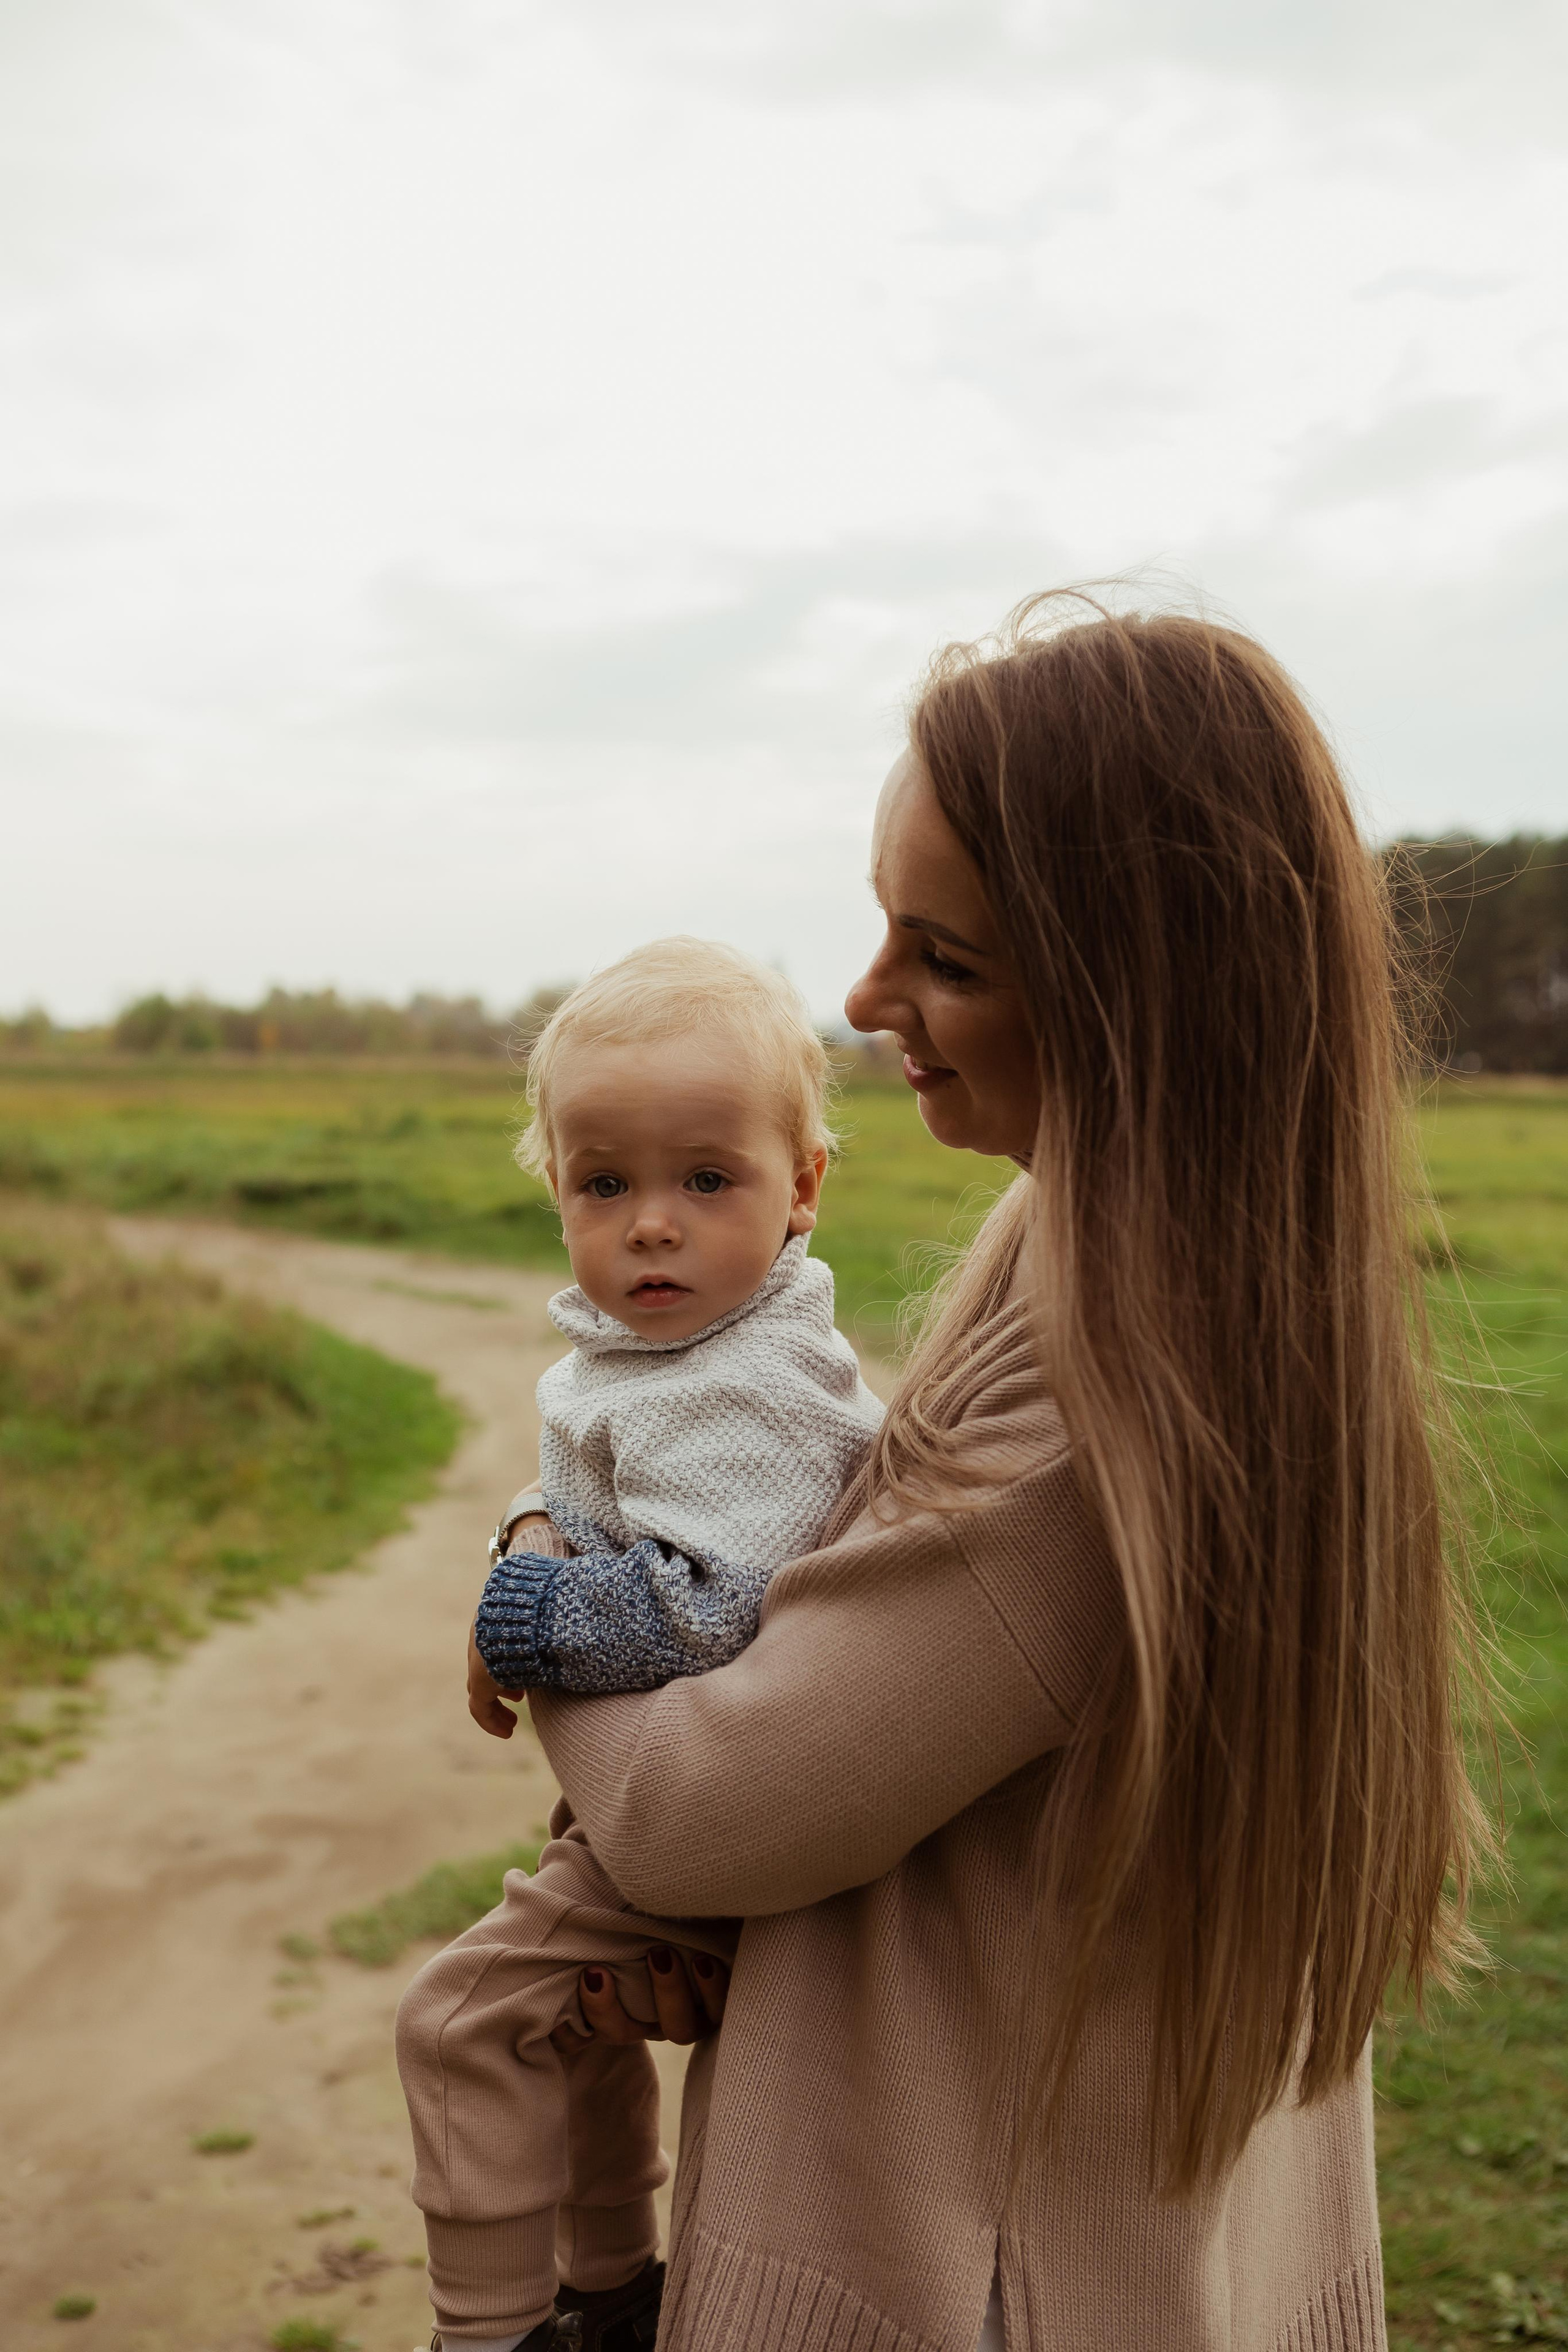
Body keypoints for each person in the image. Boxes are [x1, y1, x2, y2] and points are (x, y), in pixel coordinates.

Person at [459, 595, 1493, 2352]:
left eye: (944, 956)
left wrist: (541, 1595)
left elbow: (699, 1805)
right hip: (1137, 2216)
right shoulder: (1176, 1249)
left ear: (1126, 989)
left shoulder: (1120, 1381)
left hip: (978, 2263)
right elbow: (887, 1702)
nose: (865, 1002)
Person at [396, 939, 884, 2352]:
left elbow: (711, 1598)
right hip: (677, 1800)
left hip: (730, 1806)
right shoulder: (673, 1355)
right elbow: (608, 1502)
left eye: (705, 1179)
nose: (651, 1225)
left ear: (801, 1187)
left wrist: (526, 1613)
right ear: (554, 1188)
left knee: (456, 2021)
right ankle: (609, 2287)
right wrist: (535, 1524)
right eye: (604, 1184)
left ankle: (486, 2330)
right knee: (570, 2024)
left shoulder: (752, 1381)